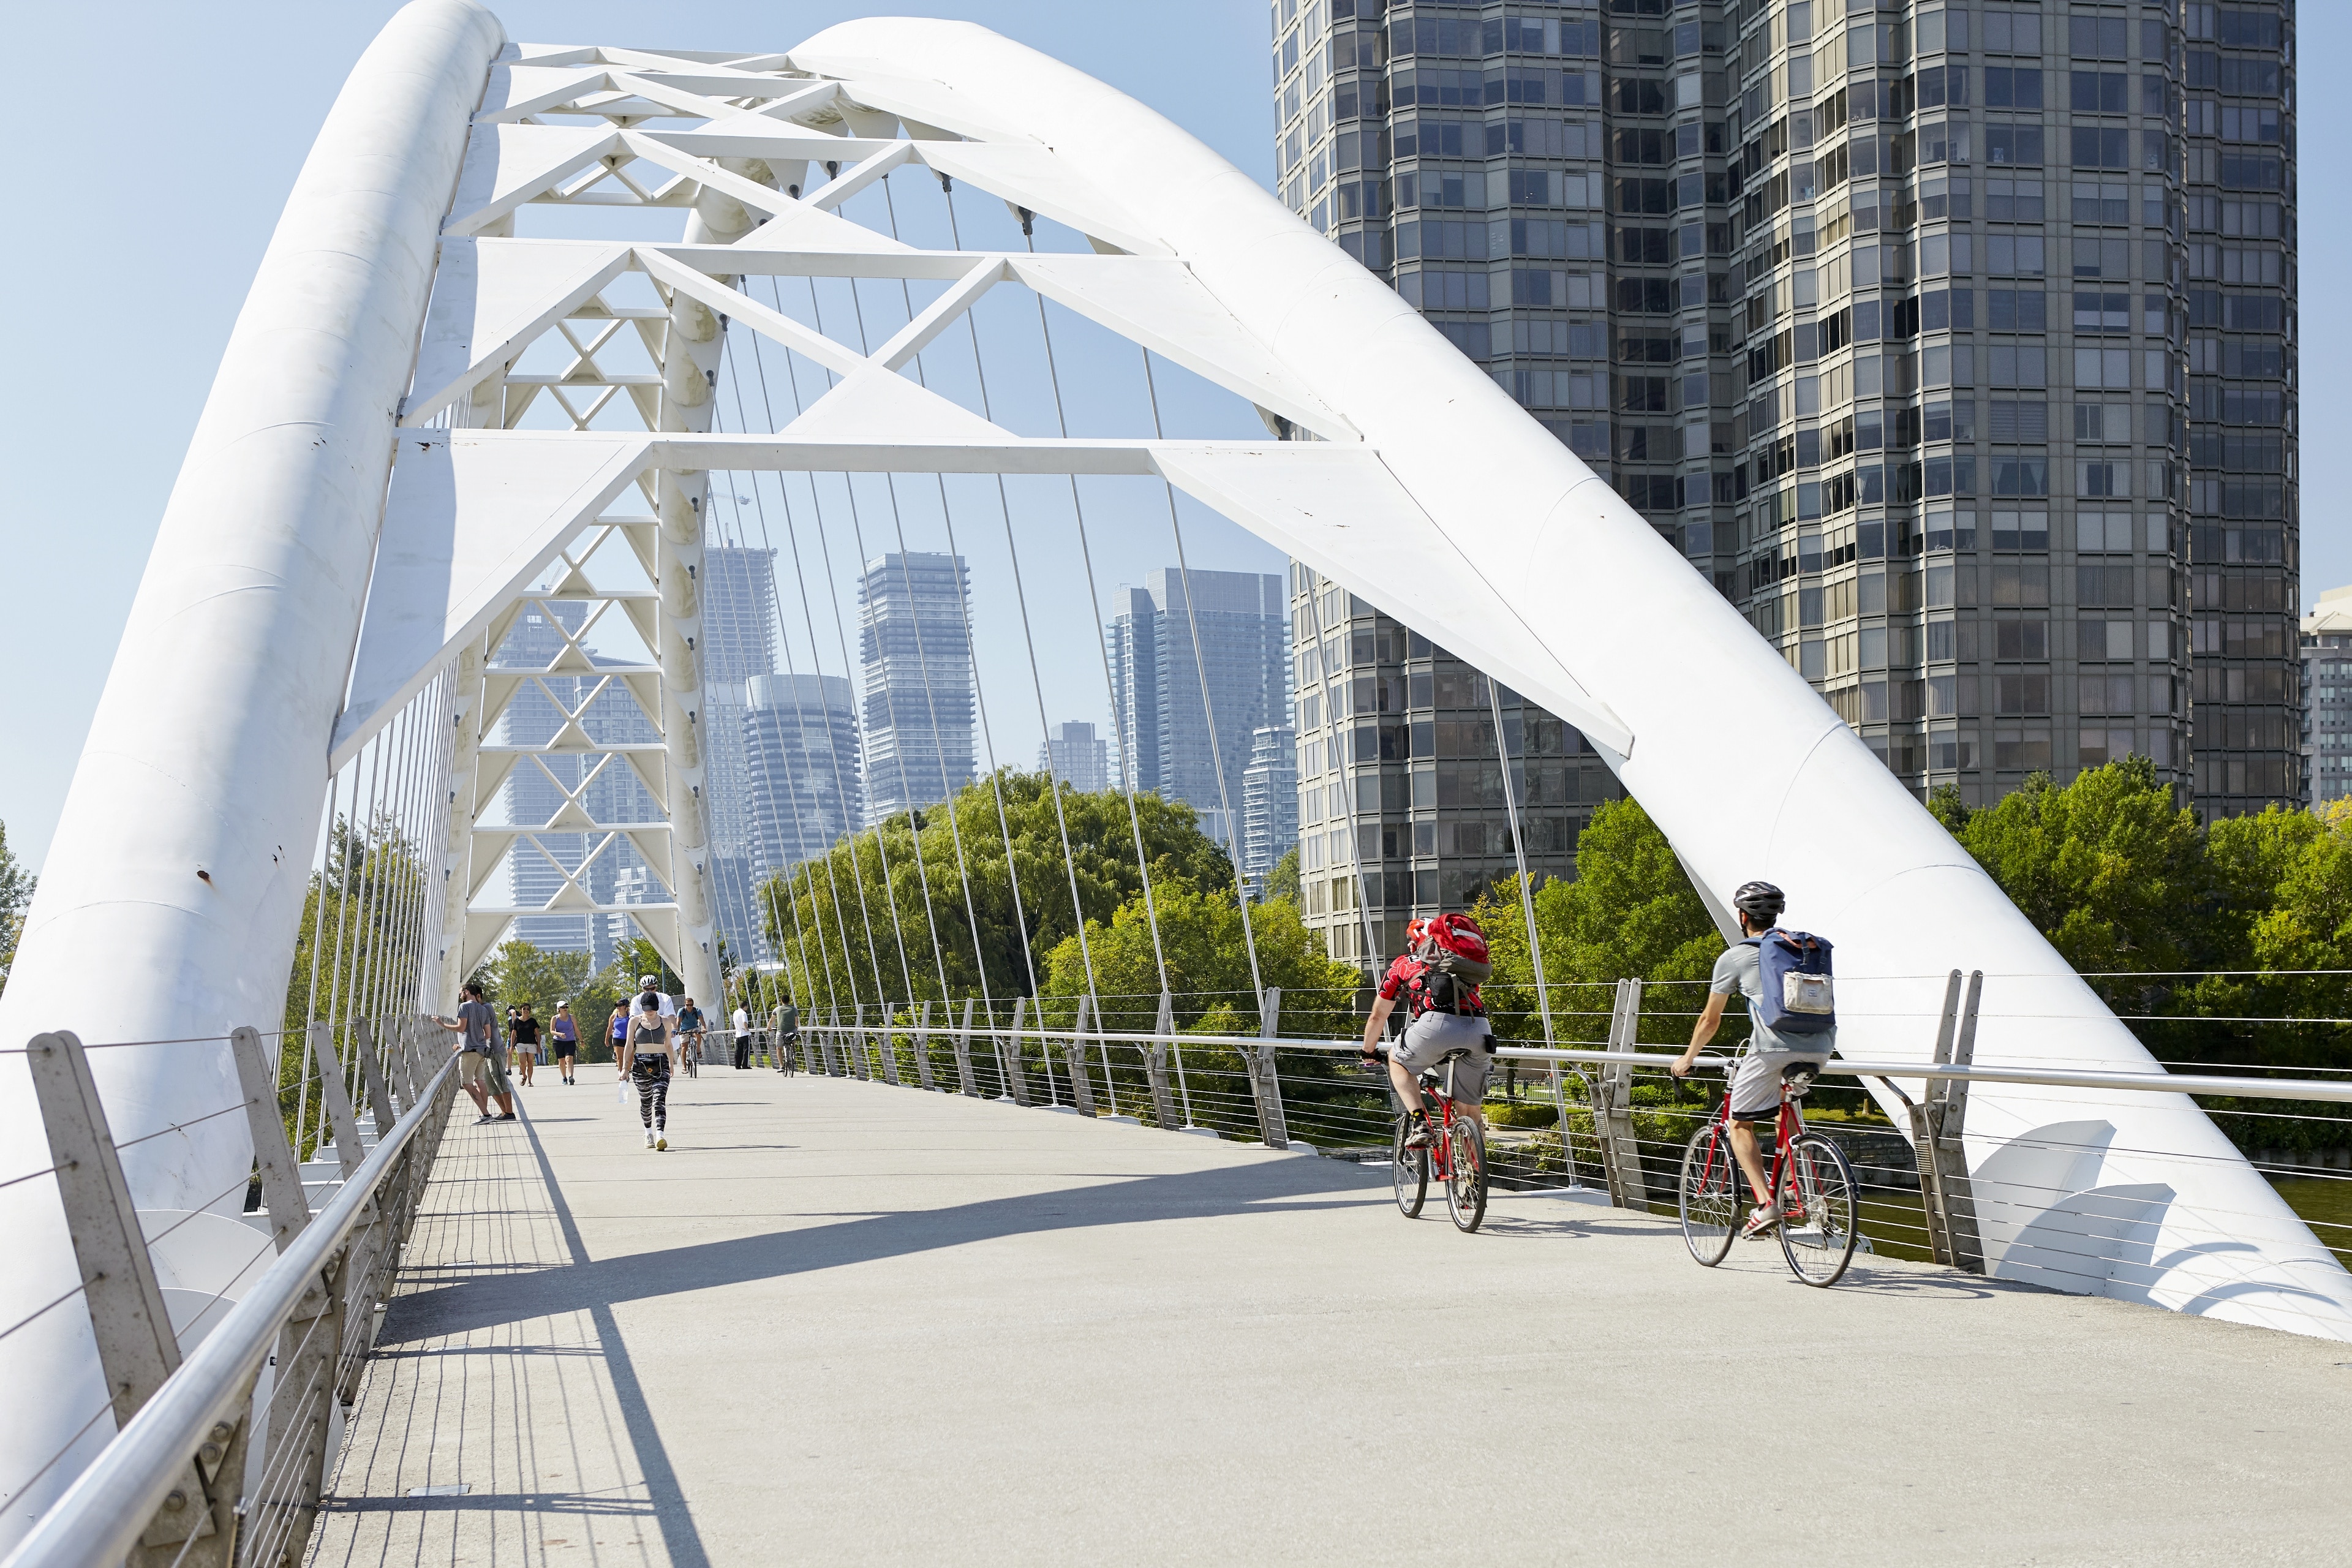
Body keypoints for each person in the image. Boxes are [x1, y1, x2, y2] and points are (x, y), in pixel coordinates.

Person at [1671, 880, 1836, 1241]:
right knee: (1782, 1108)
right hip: (1822, 1046)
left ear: (1743, 916)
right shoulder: (1802, 950)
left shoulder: (1735, 957)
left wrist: (1686, 1059)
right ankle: (1794, 1184)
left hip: (1773, 1048)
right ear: (1777, 916)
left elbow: (1709, 1021)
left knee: (1739, 1124)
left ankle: (1765, 1205)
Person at [1359, 916, 1493, 1149]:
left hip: (1435, 1026)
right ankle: (1475, 1175)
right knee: (1470, 1113)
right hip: (1480, 1029)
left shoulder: (1402, 964)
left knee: (1396, 1060)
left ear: (1413, 943)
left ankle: (1420, 1123)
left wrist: (1368, 1050)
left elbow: (1378, 1016)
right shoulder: (1458, 961)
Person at [436, 981, 517, 1123]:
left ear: (468, 993)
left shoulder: (471, 1007)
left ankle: (496, 1113)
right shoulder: (483, 1010)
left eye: (461, 993)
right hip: (482, 1050)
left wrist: (442, 1025)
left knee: (476, 1082)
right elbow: (487, 1033)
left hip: (482, 1051)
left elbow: (462, 1028)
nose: (460, 995)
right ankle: (495, 1113)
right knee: (484, 1082)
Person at [619, 987, 675, 1150]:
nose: (650, 1012)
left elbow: (668, 1044)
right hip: (640, 1065)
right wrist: (624, 1069)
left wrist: (671, 1064)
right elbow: (629, 1046)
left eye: (653, 1009)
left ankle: (660, 1136)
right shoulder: (634, 1022)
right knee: (646, 1102)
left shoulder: (665, 1021)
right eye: (647, 1010)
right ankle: (648, 1133)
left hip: (661, 1063)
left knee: (659, 1101)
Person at [511, 1005, 540, 1087]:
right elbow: (513, 1034)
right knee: (522, 1062)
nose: (526, 1010)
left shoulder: (533, 1021)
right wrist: (511, 1046)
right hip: (520, 1044)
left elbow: (537, 1034)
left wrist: (539, 1046)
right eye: (524, 1009)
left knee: (530, 1062)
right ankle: (524, 1076)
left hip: (531, 1043)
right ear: (521, 1010)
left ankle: (530, 1081)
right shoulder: (517, 1021)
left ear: (530, 1011)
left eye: (528, 1009)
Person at [551, 1001, 579, 1084]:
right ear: (559, 1009)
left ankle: (571, 1077)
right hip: (558, 1042)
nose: (565, 1009)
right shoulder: (555, 1018)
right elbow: (552, 1031)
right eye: (563, 1007)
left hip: (570, 1041)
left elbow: (576, 1029)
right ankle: (564, 1078)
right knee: (562, 1061)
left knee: (569, 1059)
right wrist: (559, 1034)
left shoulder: (572, 1018)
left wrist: (582, 1040)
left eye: (566, 1007)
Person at [676, 995, 706, 1069]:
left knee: (698, 1034)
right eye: (688, 1005)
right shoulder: (681, 1011)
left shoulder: (697, 1010)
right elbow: (678, 1021)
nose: (689, 1007)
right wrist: (677, 1030)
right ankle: (684, 1067)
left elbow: (702, 1020)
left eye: (691, 1005)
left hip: (694, 1028)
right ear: (685, 1005)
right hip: (684, 1030)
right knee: (684, 1048)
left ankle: (698, 1049)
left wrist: (704, 1028)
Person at [731, 1001, 753, 1071]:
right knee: (746, 1050)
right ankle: (745, 1065)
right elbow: (744, 1022)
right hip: (744, 1034)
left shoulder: (736, 1012)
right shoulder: (743, 1013)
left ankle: (737, 1065)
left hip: (738, 1034)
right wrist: (747, 1030)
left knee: (738, 1051)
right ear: (745, 1006)